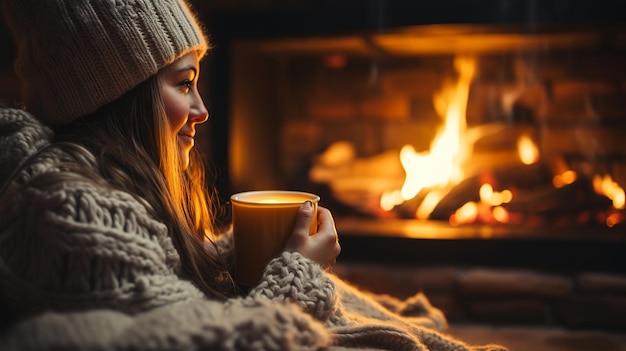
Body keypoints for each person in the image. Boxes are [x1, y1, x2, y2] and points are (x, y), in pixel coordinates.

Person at [0, 0, 507, 350]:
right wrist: (298, 275)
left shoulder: (96, 191)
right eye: (184, 84)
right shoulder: (71, 210)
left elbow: (163, 287)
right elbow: (205, 340)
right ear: (119, 98)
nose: (200, 109)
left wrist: (229, 251)